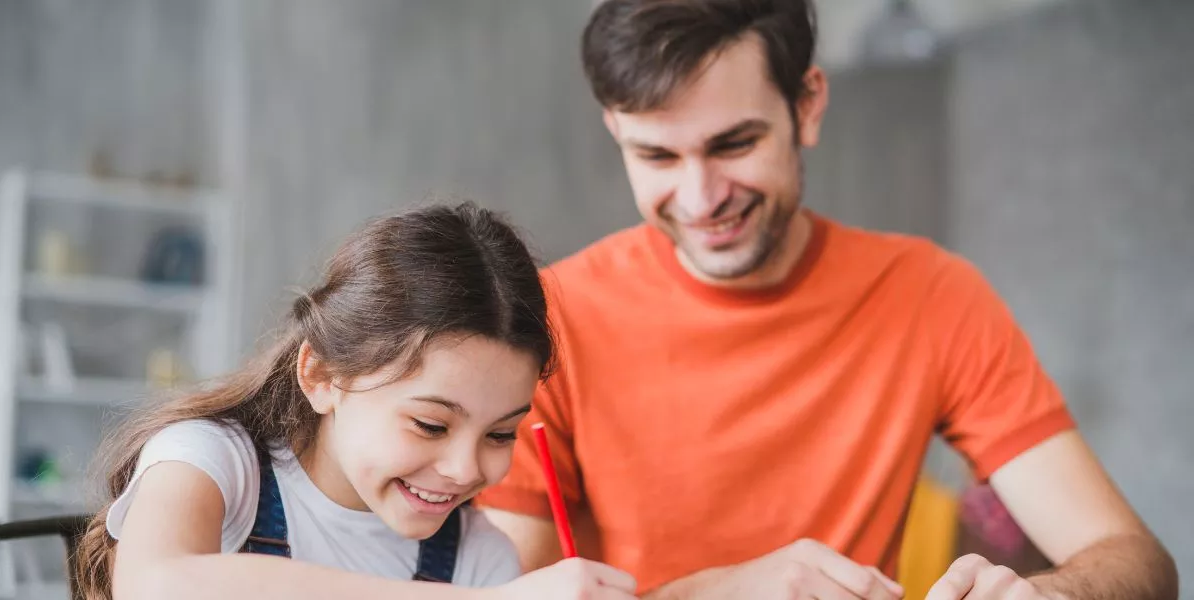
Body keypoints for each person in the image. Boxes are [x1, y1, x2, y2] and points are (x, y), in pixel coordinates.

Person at [476, 1, 1179, 599]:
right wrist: (723, 589)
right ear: (616, 132)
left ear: (807, 105)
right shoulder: (550, 319)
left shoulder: (931, 296)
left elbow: (1136, 560)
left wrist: (1047, 592)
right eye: (657, 156)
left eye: (734, 144)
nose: (700, 199)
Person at [75, 202, 639, 600]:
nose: (467, 469)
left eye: (499, 434)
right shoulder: (212, 459)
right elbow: (159, 584)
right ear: (322, 376)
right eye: (430, 424)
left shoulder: (479, 557)